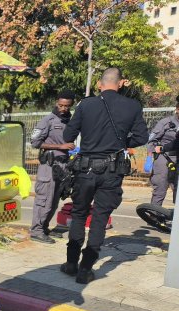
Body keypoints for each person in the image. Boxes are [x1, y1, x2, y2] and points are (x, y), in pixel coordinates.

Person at [61, 68, 148, 284]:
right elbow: (141, 137)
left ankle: (71, 263)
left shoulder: (86, 104)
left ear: (100, 84)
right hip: (112, 171)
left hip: (85, 169)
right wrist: (121, 144)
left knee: (80, 214)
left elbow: (67, 135)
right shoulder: (132, 106)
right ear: (121, 83)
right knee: (100, 218)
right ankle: (86, 268)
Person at [29, 90, 76, 243]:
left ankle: (44, 228)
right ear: (57, 103)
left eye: (67, 106)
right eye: (61, 105)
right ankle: (36, 231)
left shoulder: (70, 121)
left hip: (63, 166)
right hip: (48, 166)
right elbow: (35, 142)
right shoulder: (48, 120)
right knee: (45, 199)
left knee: (55, 200)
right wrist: (61, 146)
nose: (63, 109)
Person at [146, 101, 179, 207]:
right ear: (177, 109)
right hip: (165, 158)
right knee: (160, 187)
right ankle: (154, 214)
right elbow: (151, 141)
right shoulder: (166, 122)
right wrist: (150, 157)